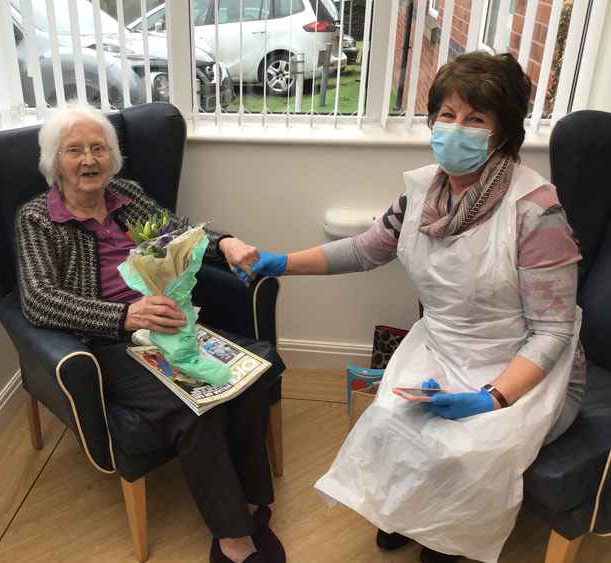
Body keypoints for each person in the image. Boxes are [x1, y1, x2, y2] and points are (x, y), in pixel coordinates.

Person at [245, 52, 585, 563]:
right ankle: (411, 514)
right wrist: (279, 262)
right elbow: (365, 250)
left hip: (520, 364)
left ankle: (448, 539)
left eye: (475, 119)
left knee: (468, 446)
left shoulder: (536, 212)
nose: (456, 129)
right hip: (441, 344)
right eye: (447, 115)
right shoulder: (423, 192)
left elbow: (553, 333)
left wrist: (491, 398)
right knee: (391, 419)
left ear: (503, 133)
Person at [15, 102, 285, 563]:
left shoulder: (126, 195)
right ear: (54, 163)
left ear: (112, 156)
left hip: (170, 324)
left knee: (252, 375)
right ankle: (233, 536)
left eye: (98, 148)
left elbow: (179, 234)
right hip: (108, 341)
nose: (88, 160)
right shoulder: (37, 219)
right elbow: (38, 299)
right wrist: (124, 317)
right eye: (74, 150)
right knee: (194, 409)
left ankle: (255, 503)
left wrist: (224, 241)